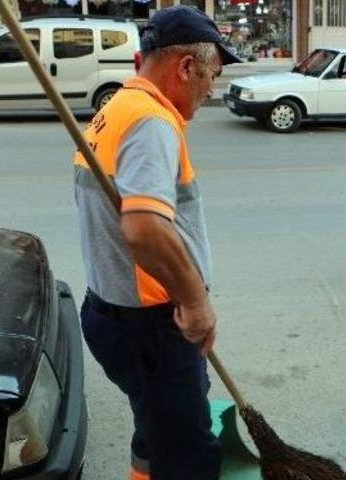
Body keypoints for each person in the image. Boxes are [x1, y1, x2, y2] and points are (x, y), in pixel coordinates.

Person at [72, 6, 240, 480]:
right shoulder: (152, 122)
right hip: (151, 329)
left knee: (155, 428)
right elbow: (144, 227)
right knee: (188, 456)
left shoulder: (114, 110)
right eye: (211, 74)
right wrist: (195, 301)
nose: (211, 88)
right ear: (186, 67)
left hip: (112, 315)